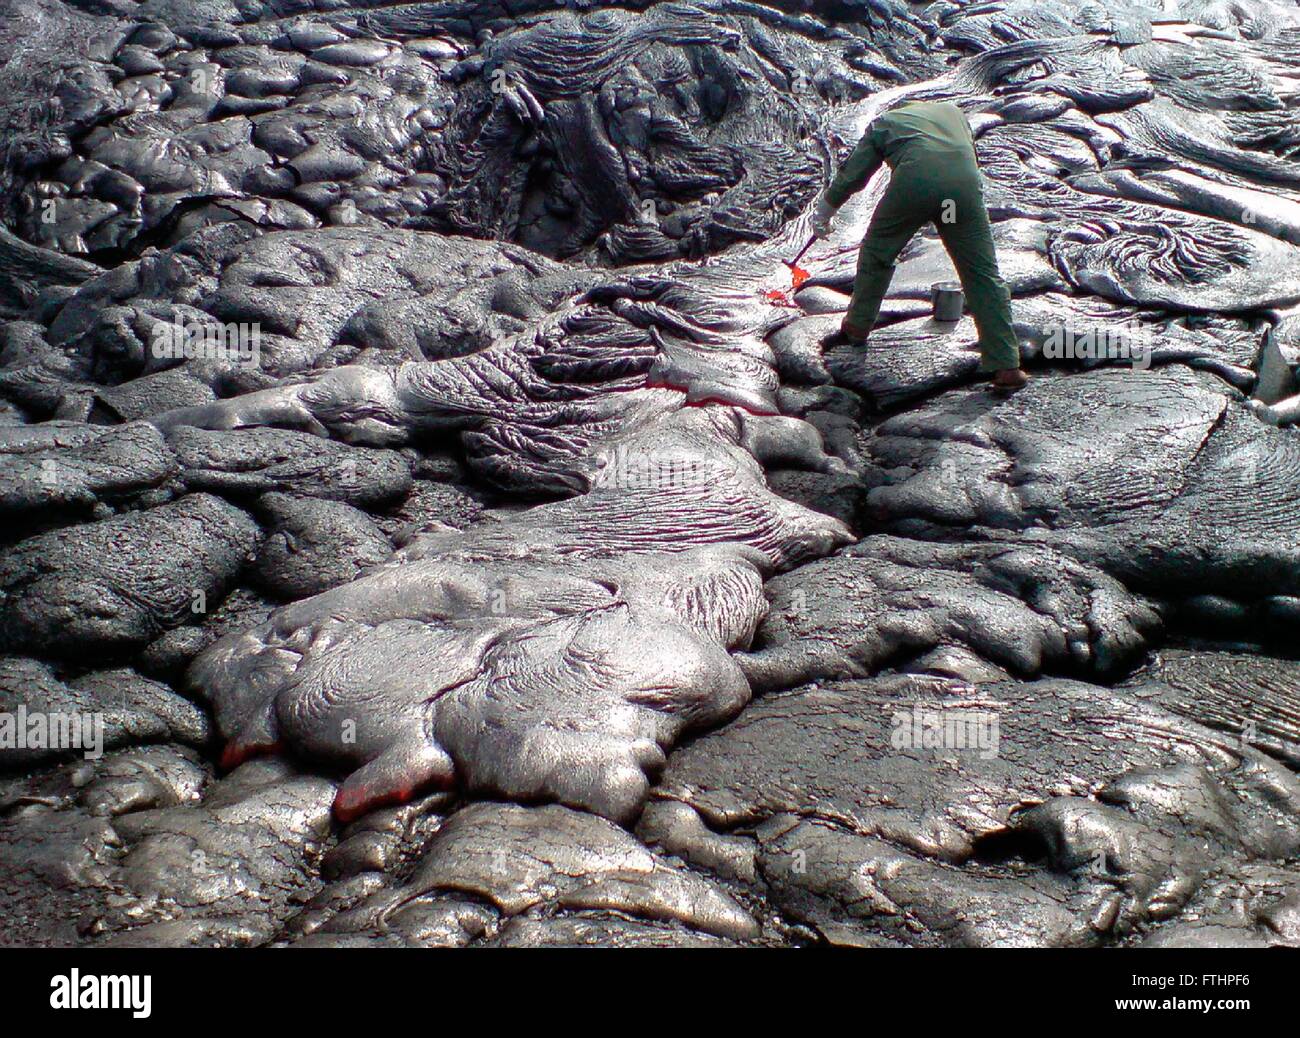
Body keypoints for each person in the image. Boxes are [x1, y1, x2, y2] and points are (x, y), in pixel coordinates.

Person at [811, 100, 1029, 390]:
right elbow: (963, 157)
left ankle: (857, 327)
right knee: (981, 273)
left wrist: (825, 212)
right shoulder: (953, 113)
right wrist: (943, 216)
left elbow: (853, 175)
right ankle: (1006, 365)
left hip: (914, 187)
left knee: (878, 253)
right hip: (960, 193)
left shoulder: (884, 123)